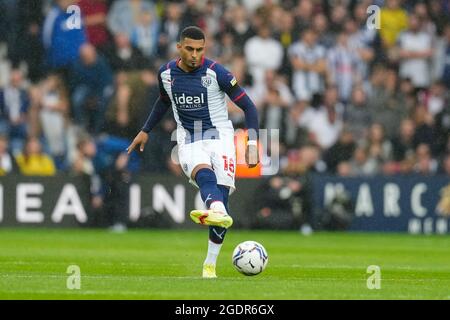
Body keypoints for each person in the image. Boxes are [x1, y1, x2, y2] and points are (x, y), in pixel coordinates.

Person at [127, 26, 259, 278]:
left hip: (220, 137)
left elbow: (249, 107)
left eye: (200, 49)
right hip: (188, 138)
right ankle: (217, 209)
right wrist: (146, 129)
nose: (195, 54)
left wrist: (252, 144)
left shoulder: (217, 73)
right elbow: (164, 100)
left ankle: (210, 264)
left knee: (221, 200)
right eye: (190, 49)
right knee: (203, 173)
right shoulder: (166, 73)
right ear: (179, 47)